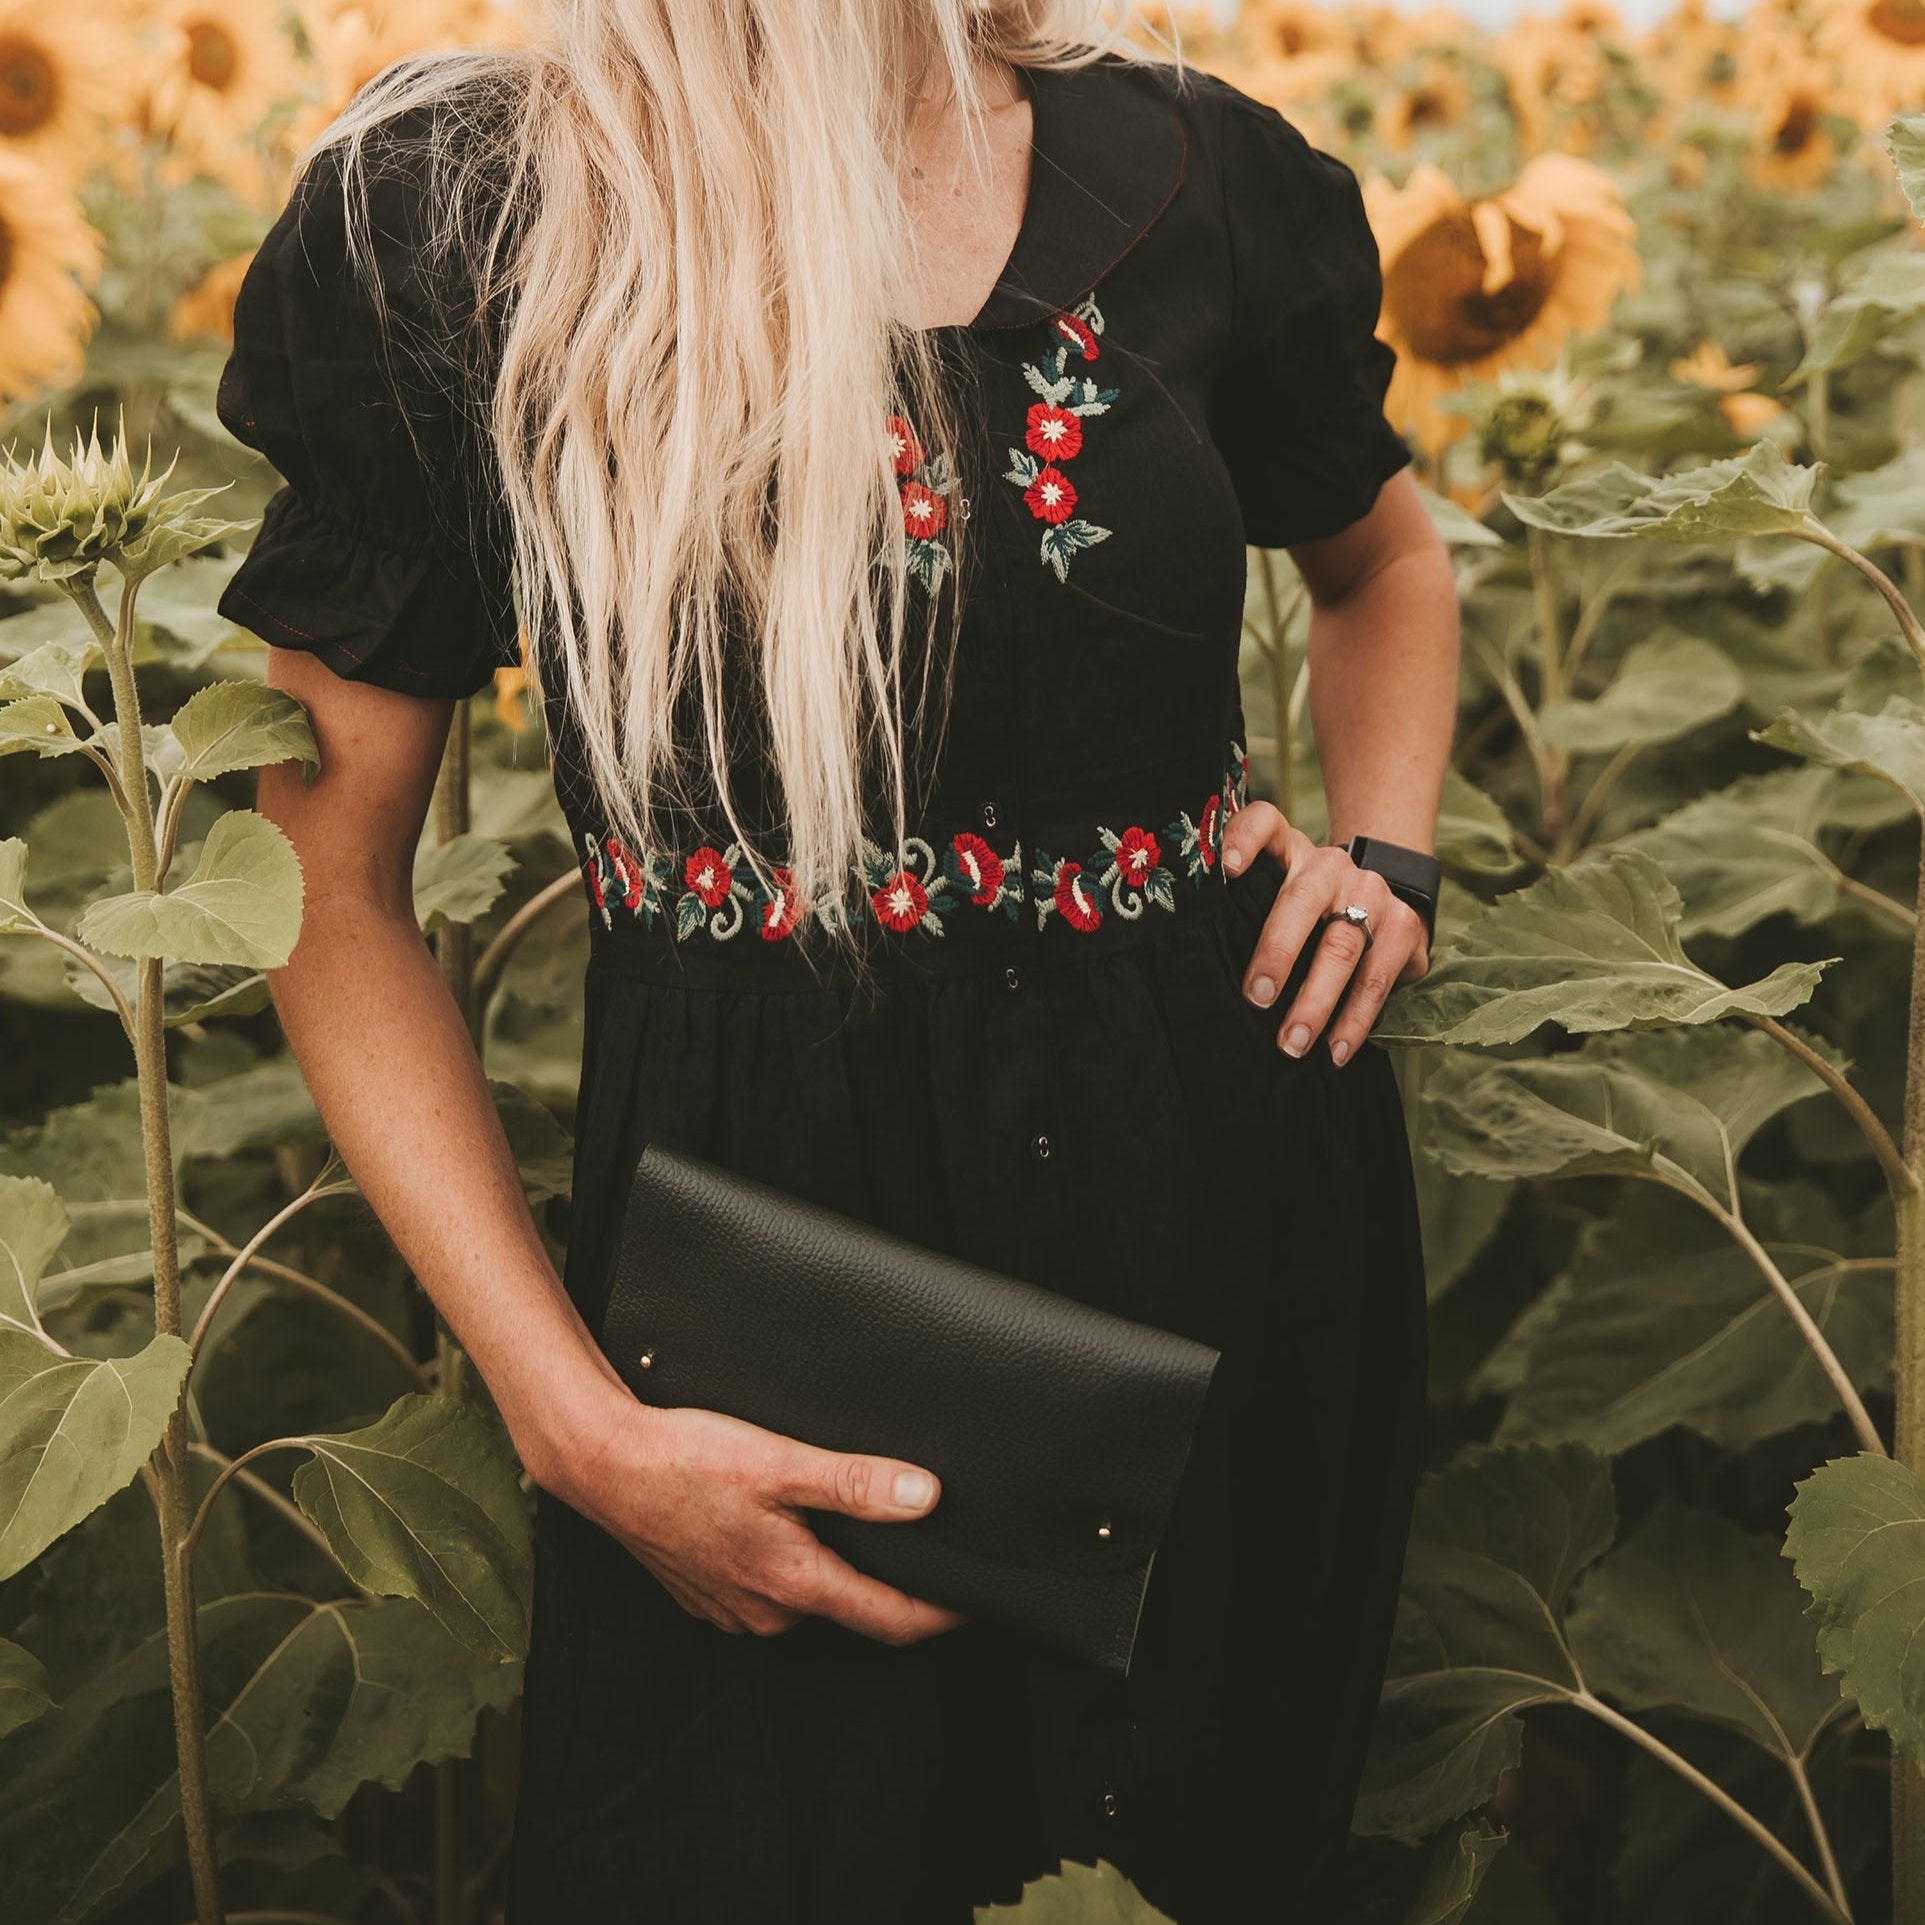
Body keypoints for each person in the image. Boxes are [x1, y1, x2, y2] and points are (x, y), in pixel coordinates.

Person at [213, 2, 1460, 1919]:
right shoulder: (457, 206)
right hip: (765, 1318)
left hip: (1226, 1238)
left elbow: (1378, 562)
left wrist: (1381, 856)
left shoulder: (1202, 165)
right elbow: (325, 883)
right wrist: (575, 1428)